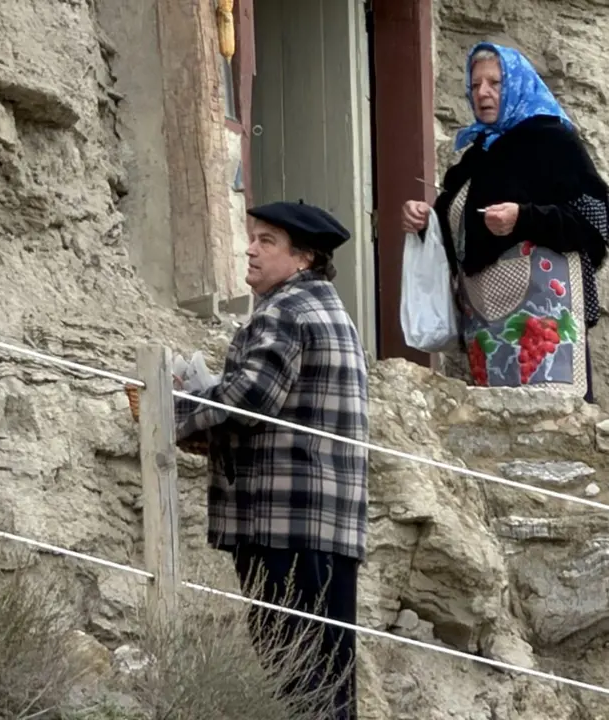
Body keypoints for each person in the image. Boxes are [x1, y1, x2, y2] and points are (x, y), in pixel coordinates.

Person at [173, 200, 368, 720]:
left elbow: (249, 402)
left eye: (267, 241)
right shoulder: (329, 311)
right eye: (252, 237)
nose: (250, 249)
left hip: (284, 524)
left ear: (304, 257)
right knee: (328, 682)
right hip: (322, 526)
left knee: (297, 674)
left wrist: (176, 415)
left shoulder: (285, 310)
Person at [401, 41, 609, 400]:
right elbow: (456, 229)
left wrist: (525, 217)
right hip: (486, 321)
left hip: (541, 315)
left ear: (516, 84)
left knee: (551, 418)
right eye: (475, 85)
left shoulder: (552, 142)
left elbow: (595, 220)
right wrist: (426, 221)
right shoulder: (475, 158)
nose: (483, 92)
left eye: (494, 83)